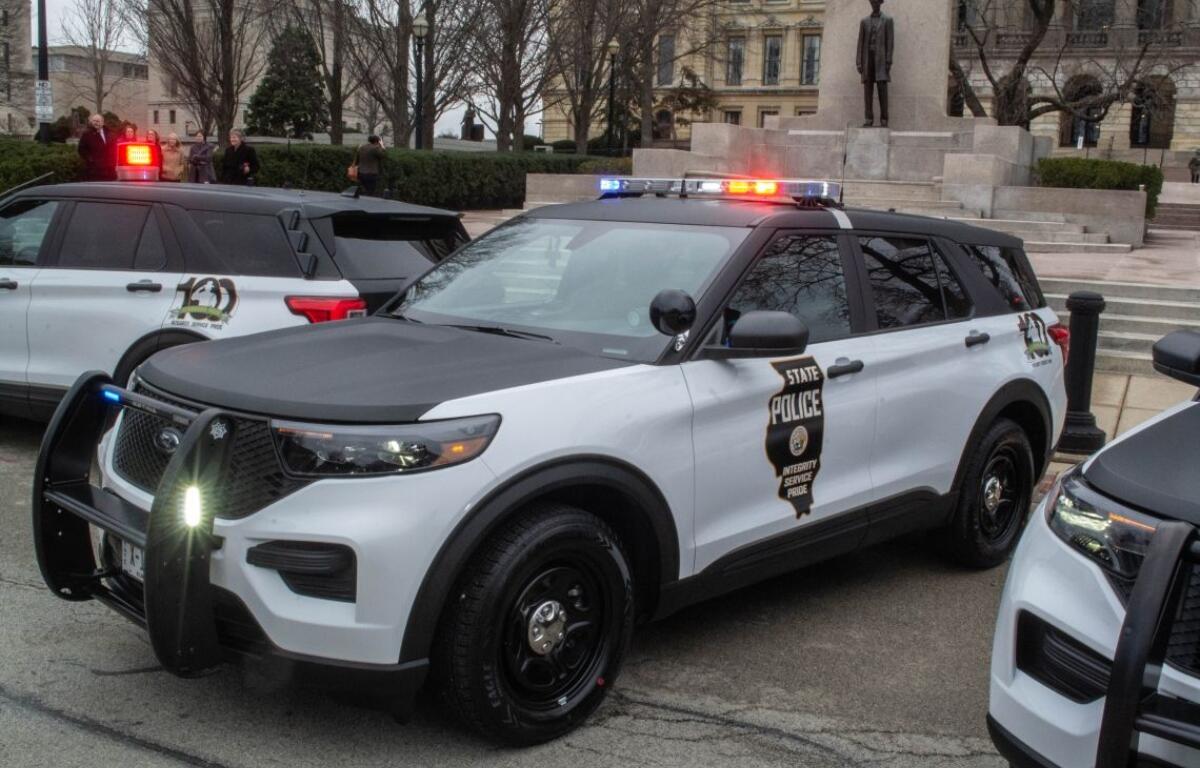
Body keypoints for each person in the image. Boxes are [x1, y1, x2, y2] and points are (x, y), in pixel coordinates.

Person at [77, 114, 115, 181]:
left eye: (97, 121)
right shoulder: (87, 134)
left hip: (109, 169)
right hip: (94, 169)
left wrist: (113, 161)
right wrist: (90, 159)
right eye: (94, 121)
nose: (95, 123)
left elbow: (114, 148)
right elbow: (81, 149)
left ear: (103, 122)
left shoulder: (109, 133)